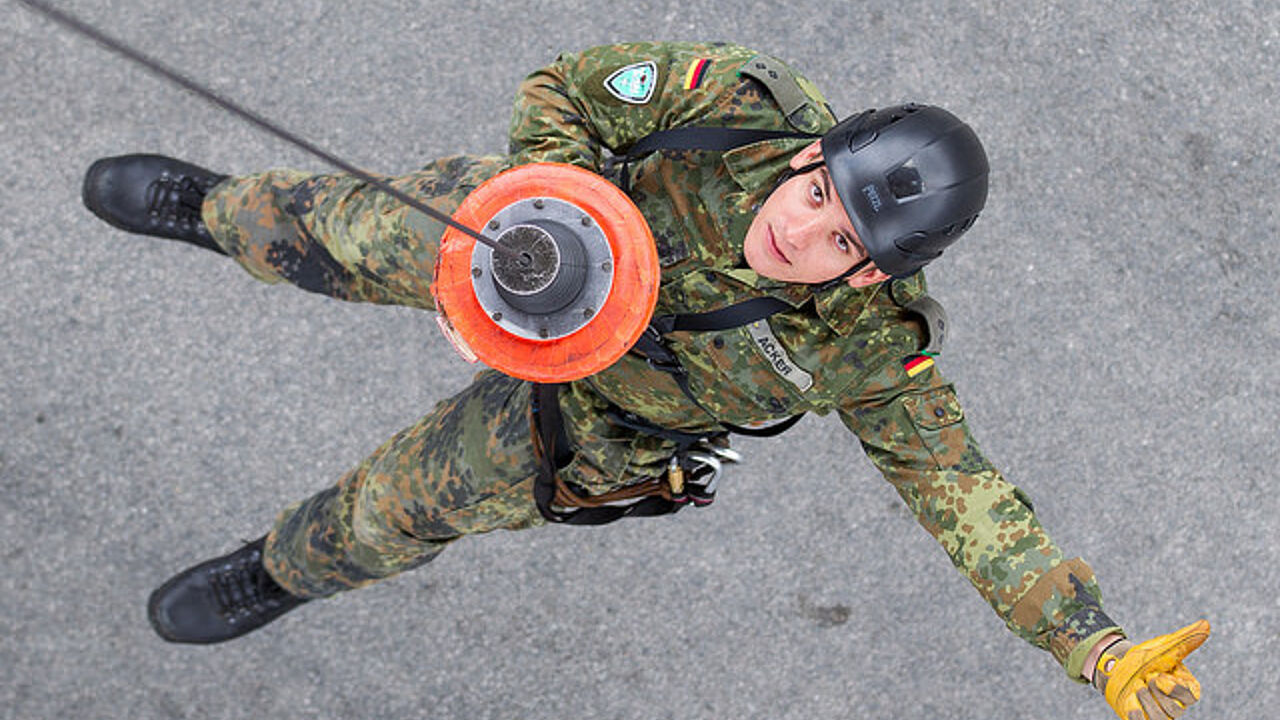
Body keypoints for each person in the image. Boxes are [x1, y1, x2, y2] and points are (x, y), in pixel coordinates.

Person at [82, 42, 1207, 719]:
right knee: (334, 228)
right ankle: (218, 210)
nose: (798, 225)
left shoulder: (868, 345)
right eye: (817, 190)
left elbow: (967, 498)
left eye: (835, 239)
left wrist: (1089, 643)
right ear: (818, 154)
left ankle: (280, 572)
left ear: (869, 269)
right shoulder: (745, 108)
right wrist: (563, 213)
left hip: (597, 419)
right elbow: (567, 88)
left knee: (397, 509)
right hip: (536, 243)